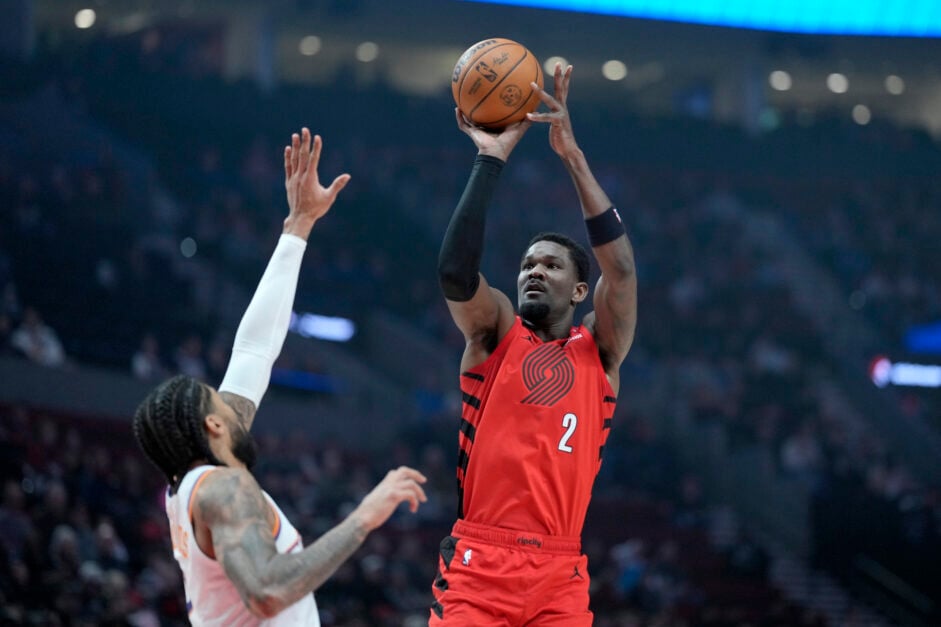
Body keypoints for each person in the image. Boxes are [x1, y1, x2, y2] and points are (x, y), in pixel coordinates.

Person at [132, 128, 428, 626]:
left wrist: (298, 226)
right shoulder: (224, 491)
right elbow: (267, 592)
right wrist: (365, 516)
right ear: (213, 427)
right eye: (217, 399)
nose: (231, 398)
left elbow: (252, 352)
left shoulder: (195, 480)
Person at [430, 64, 638, 626]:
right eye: (525, 264)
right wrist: (489, 158)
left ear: (577, 287)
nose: (533, 272)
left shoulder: (601, 349)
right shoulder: (496, 334)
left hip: (560, 575)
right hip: (480, 565)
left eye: (549, 264)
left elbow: (620, 272)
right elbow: (454, 273)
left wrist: (570, 154)